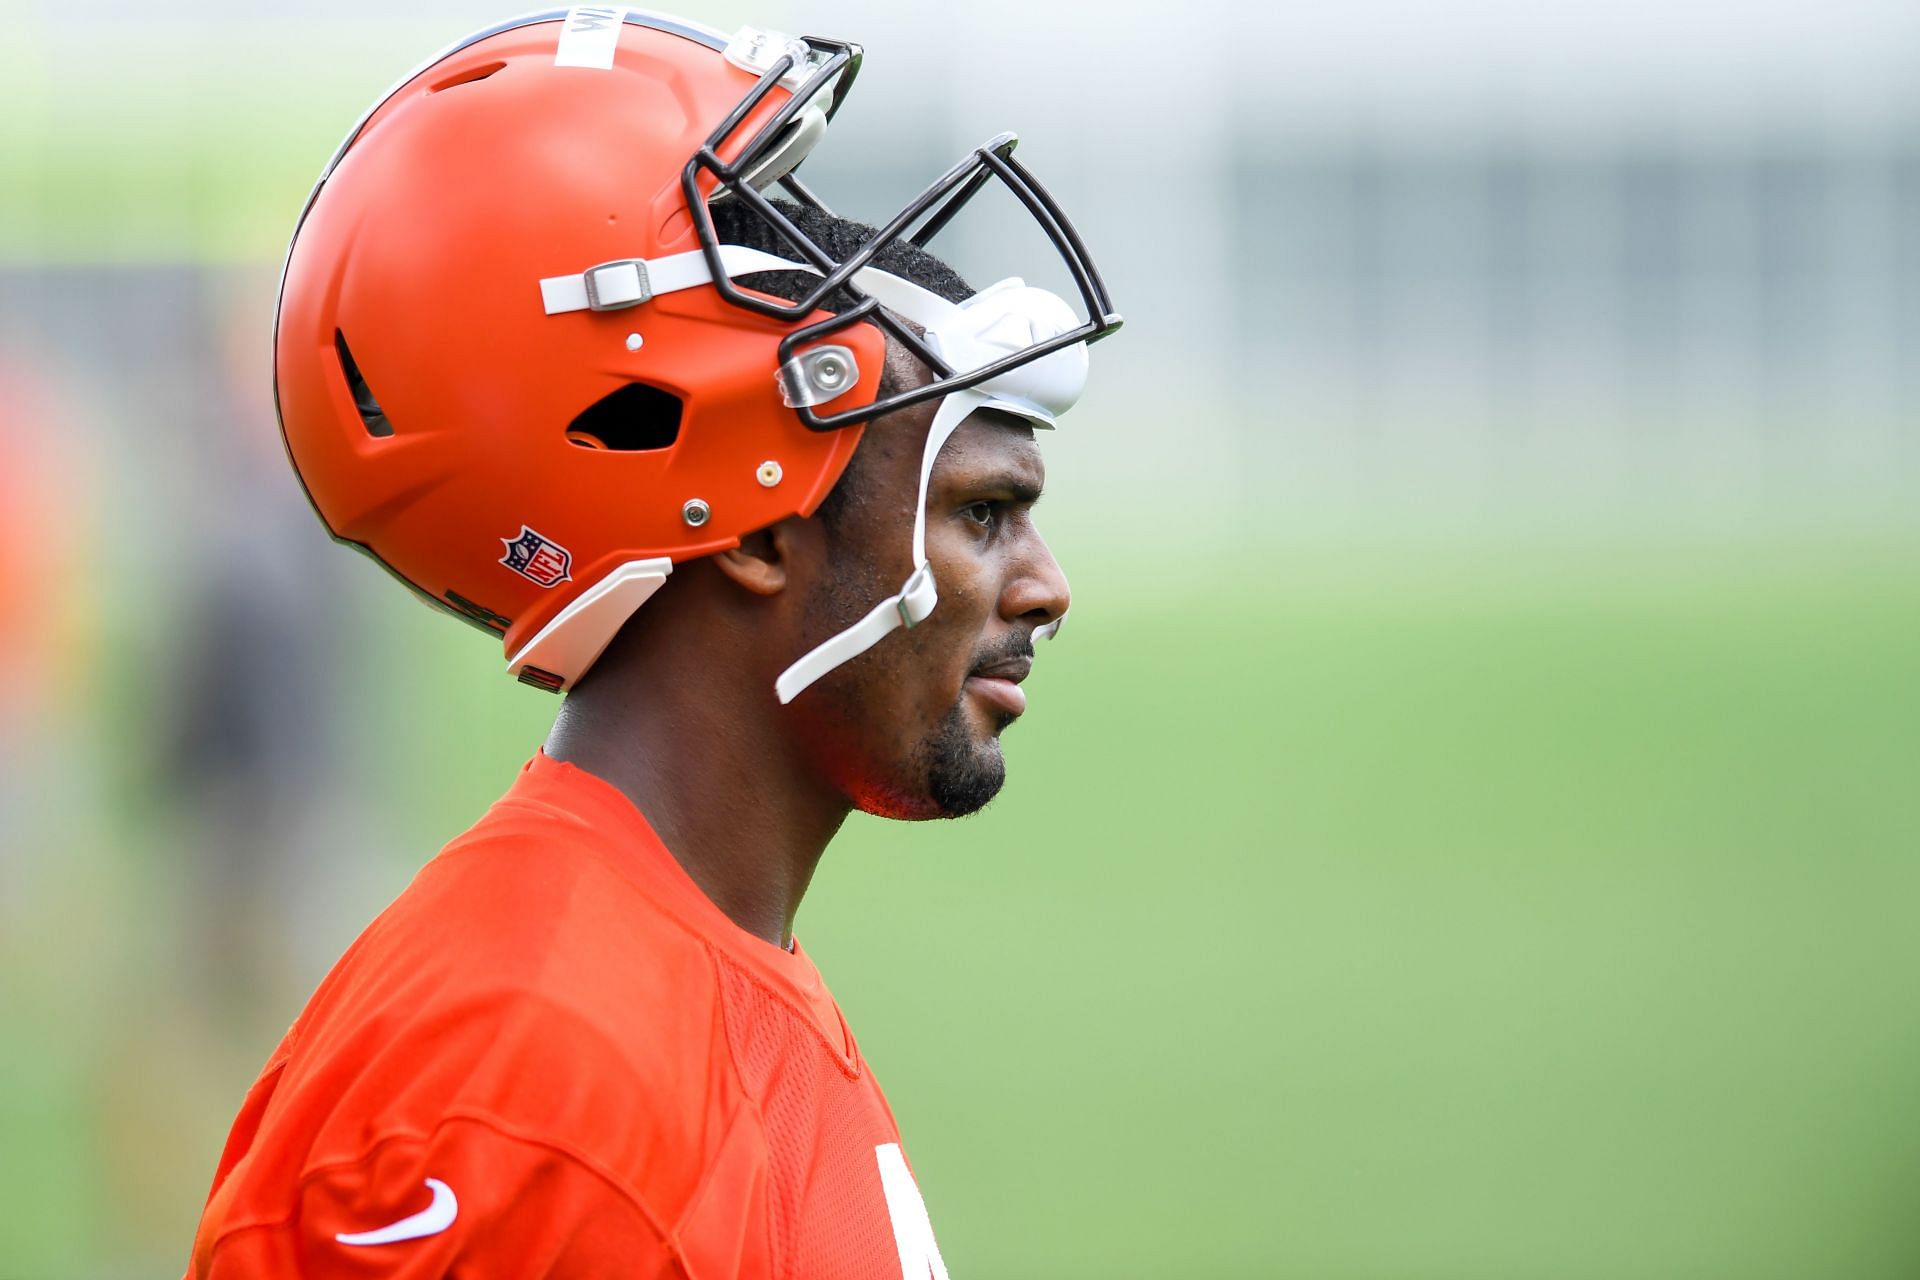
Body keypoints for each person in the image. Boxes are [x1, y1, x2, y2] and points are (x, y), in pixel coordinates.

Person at [187, 9, 1120, 1277]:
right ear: (755, 532)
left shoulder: (677, 971)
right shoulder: (539, 1076)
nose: (1046, 587)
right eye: (981, 512)